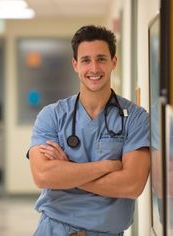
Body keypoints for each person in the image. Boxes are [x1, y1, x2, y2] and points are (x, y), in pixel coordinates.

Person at [27, 25, 150, 236]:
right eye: (86, 60)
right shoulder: (52, 116)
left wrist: (66, 171)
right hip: (54, 230)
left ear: (114, 62)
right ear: (75, 65)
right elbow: (43, 175)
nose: (94, 68)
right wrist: (108, 166)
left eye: (101, 59)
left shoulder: (135, 118)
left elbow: (132, 185)